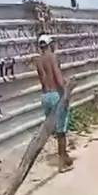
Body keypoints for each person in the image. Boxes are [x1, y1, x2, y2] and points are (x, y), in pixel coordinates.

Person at [34, 35, 74, 172]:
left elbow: (42, 81)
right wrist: (66, 91)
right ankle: (62, 164)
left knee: (52, 129)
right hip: (56, 95)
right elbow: (58, 78)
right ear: (50, 44)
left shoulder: (38, 61)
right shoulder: (53, 57)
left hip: (45, 96)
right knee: (61, 130)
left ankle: (65, 157)